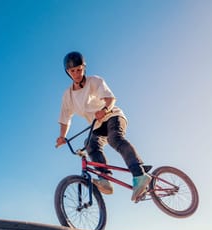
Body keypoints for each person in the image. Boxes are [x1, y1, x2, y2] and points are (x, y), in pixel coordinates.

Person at [56, 51, 151, 202]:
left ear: (84, 68)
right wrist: (62, 137)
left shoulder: (94, 81)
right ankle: (104, 179)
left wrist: (104, 110)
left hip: (112, 116)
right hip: (97, 125)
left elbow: (110, 99)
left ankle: (139, 175)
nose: (77, 74)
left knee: (115, 139)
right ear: (68, 72)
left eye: (79, 69)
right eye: (72, 71)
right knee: (90, 145)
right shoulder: (68, 95)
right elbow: (65, 118)